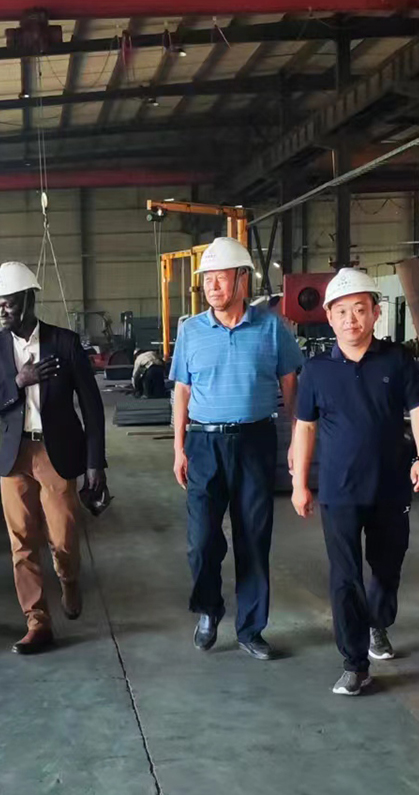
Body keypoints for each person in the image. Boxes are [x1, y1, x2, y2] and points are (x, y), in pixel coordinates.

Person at [290, 268, 419, 696]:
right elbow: (305, 427)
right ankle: (354, 664)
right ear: (329, 317)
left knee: (387, 567)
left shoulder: (396, 360)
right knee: (344, 576)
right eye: (341, 311)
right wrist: (300, 482)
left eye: (359, 310)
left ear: (375, 313)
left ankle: (378, 623)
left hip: (390, 485)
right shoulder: (316, 370)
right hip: (339, 490)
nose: (350, 319)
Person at [171, 237, 303, 661]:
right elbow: (181, 392)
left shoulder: (272, 328)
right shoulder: (190, 330)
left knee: (254, 537)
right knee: (201, 541)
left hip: (255, 442)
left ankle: (251, 629)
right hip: (204, 443)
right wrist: (179, 447)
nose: (212, 286)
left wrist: (297, 440)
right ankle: (209, 610)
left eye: (220, 278)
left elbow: (290, 386)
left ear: (242, 279)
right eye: (207, 279)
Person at [0, 261, 107, 655]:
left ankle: (68, 578)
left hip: (56, 451)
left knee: (63, 536)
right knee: (21, 542)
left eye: (9, 303)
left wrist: (95, 463)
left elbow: (92, 407)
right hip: (14, 455)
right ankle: (37, 621)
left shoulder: (64, 343)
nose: (2, 310)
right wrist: (18, 383)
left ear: (29, 300)